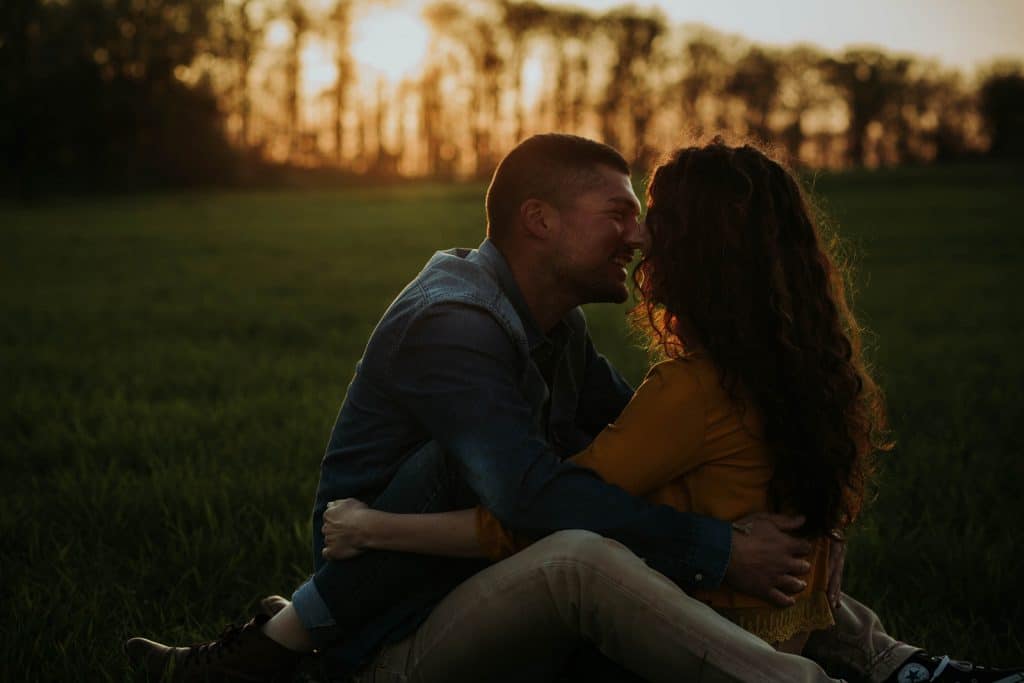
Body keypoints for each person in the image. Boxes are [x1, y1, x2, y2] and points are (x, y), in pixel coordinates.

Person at [125, 135, 1021, 683]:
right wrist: (718, 547)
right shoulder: (455, 327)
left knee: (647, 510)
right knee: (580, 554)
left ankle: (897, 666)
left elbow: (636, 444)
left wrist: (739, 490)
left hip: (470, 587)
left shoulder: (552, 327)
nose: (639, 236)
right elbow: (535, 503)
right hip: (393, 633)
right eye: (619, 214)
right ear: (540, 221)